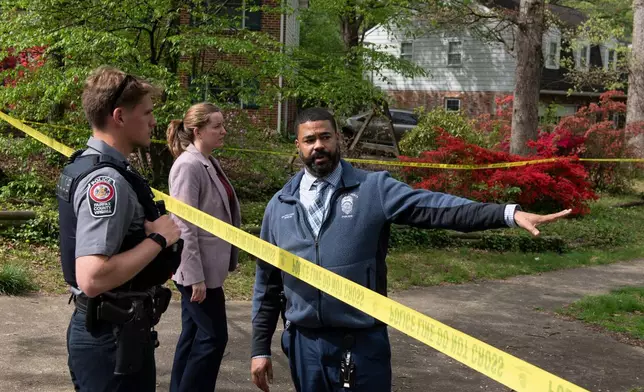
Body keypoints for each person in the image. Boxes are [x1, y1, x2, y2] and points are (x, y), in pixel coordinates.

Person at [249, 107, 571, 392]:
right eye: (309, 140)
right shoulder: (280, 206)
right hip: (304, 347)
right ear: (298, 145)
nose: (318, 145)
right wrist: (259, 349)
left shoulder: (373, 189)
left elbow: (436, 208)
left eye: (325, 136)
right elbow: (268, 284)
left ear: (338, 140)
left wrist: (507, 214)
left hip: (360, 344)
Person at [56, 66, 182, 392]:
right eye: (147, 112)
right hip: (110, 339)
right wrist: (158, 238)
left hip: (116, 332)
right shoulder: (106, 181)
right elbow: (92, 277)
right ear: (119, 117)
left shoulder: (89, 164)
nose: (154, 121)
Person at [166, 102, 241, 392]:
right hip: (198, 275)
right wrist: (194, 275)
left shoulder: (207, 160)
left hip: (208, 270)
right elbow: (184, 224)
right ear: (197, 130)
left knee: (194, 335)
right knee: (213, 338)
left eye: (223, 125)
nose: (223, 131)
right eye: (217, 126)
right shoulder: (188, 165)